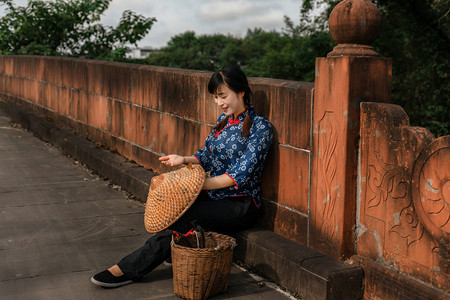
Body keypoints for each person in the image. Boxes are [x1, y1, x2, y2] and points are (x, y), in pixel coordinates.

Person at [91, 66, 273, 288]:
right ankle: (170, 248)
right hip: (214, 196)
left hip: (241, 203)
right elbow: (206, 156)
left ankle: (130, 268)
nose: (219, 103)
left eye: (223, 96)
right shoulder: (224, 121)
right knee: (171, 206)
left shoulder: (260, 128)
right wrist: (184, 159)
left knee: (183, 215)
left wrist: (195, 186)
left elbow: (240, 175)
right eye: (216, 98)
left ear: (242, 91)